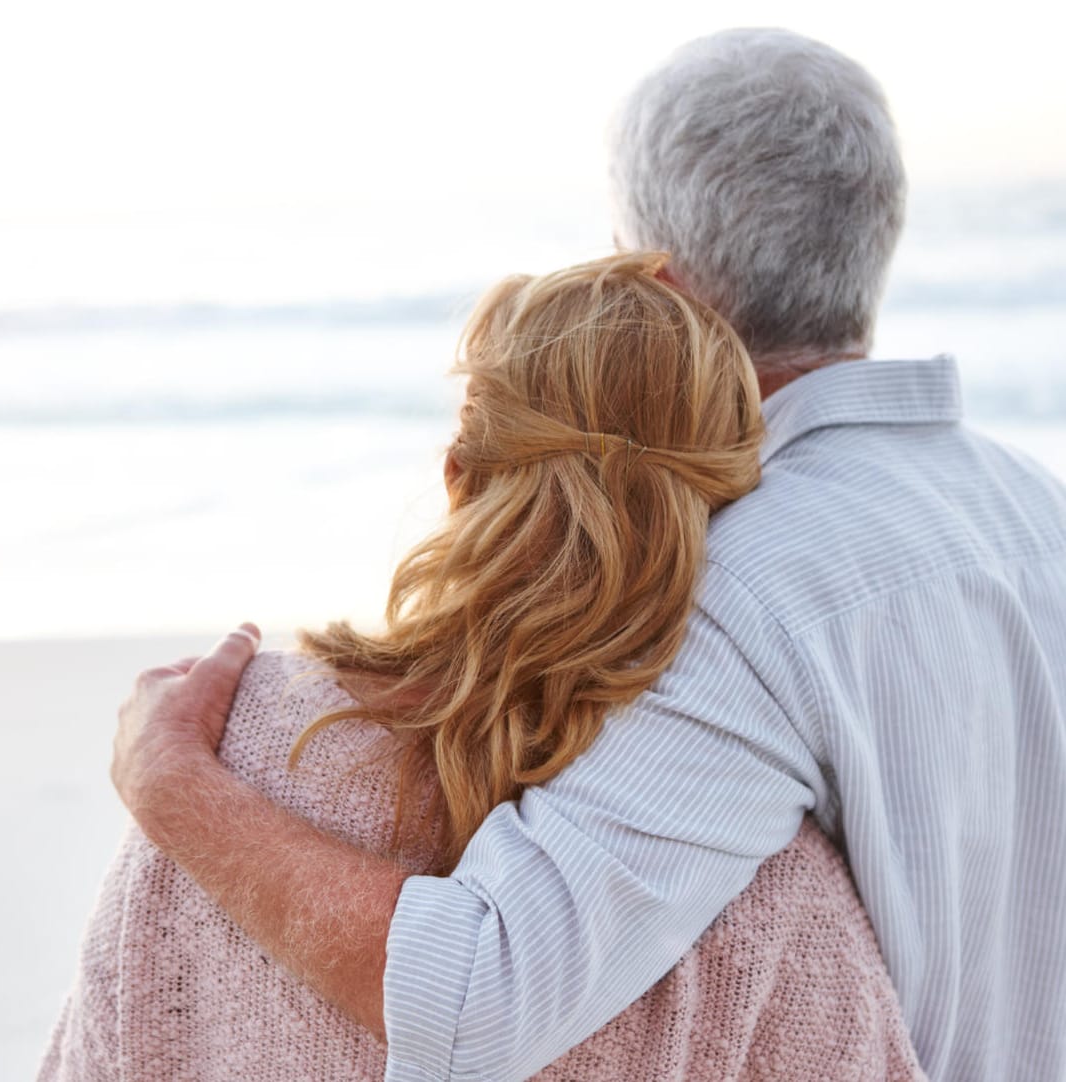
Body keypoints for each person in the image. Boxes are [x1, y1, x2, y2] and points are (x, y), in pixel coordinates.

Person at [106, 28, 1066, 1082]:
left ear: (658, 290)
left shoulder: (733, 583)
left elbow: (480, 996)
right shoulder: (1036, 511)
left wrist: (171, 786)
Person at [44, 254, 921, 1080]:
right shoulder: (749, 853)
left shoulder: (229, 740)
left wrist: (172, 782)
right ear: (726, 507)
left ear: (461, 476)